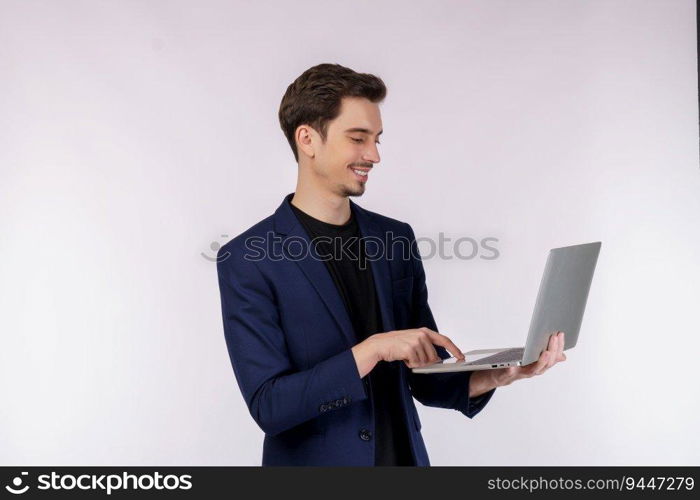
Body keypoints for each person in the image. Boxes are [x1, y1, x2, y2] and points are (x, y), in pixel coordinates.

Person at [215, 63, 566, 466]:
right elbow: (270, 407)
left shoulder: (394, 239)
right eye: (358, 138)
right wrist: (374, 349)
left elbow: (422, 374)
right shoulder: (248, 258)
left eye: (377, 139)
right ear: (307, 138)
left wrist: (500, 374)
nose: (375, 155)